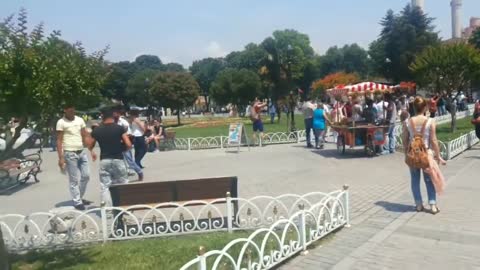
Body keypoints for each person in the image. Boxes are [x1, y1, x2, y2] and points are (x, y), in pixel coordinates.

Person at [402, 97, 446, 215]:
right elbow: (434, 140)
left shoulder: (407, 122)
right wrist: (438, 156)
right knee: (429, 180)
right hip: (427, 154)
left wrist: (407, 152)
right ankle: (432, 205)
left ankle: (418, 205)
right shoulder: (430, 121)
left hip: (413, 154)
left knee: (415, 180)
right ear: (425, 107)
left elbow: (405, 140)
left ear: (414, 108)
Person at [87, 107, 132, 207]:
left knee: (105, 186)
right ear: (112, 115)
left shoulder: (97, 130)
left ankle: (107, 211)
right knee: (123, 183)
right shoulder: (119, 128)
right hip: (118, 159)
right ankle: (125, 207)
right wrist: (122, 149)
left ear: (102, 116)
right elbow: (128, 144)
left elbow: (89, 145)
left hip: (105, 160)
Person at [56, 104, 91, 210]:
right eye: (69, 110)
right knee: (74, 179)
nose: (72, 112)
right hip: (69, 153)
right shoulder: (61, 122)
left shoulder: (80, 120)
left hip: (81, 151)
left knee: (86, 175)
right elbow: (59, 140)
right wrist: (61, 157)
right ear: (65, 110)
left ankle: (79, 196)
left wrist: (91, 149)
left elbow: (84, 135)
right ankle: (77, 201)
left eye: (73, 110)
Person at [113, 106, 143, 181]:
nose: (114, 115)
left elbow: (129, 134)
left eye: (116, 113)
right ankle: (120, 177)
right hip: (115, 144)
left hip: (124, 144)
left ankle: (139, 172)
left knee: (129, 160)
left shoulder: (123, 122)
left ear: (119, 114)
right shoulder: (112, 122)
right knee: (117, 161)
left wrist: (122, 138)